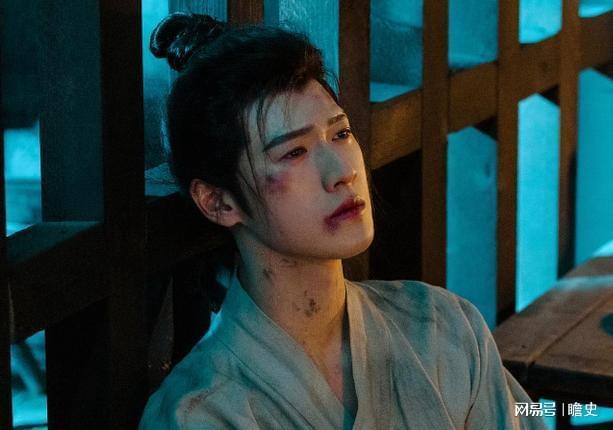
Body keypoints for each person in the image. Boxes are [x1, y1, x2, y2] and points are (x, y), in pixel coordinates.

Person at [139, 13, 546, 430]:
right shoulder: (202, 414)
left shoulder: (443, 329)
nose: (342, 171)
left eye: (341, 134)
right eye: (293, 152)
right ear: (218, 202)